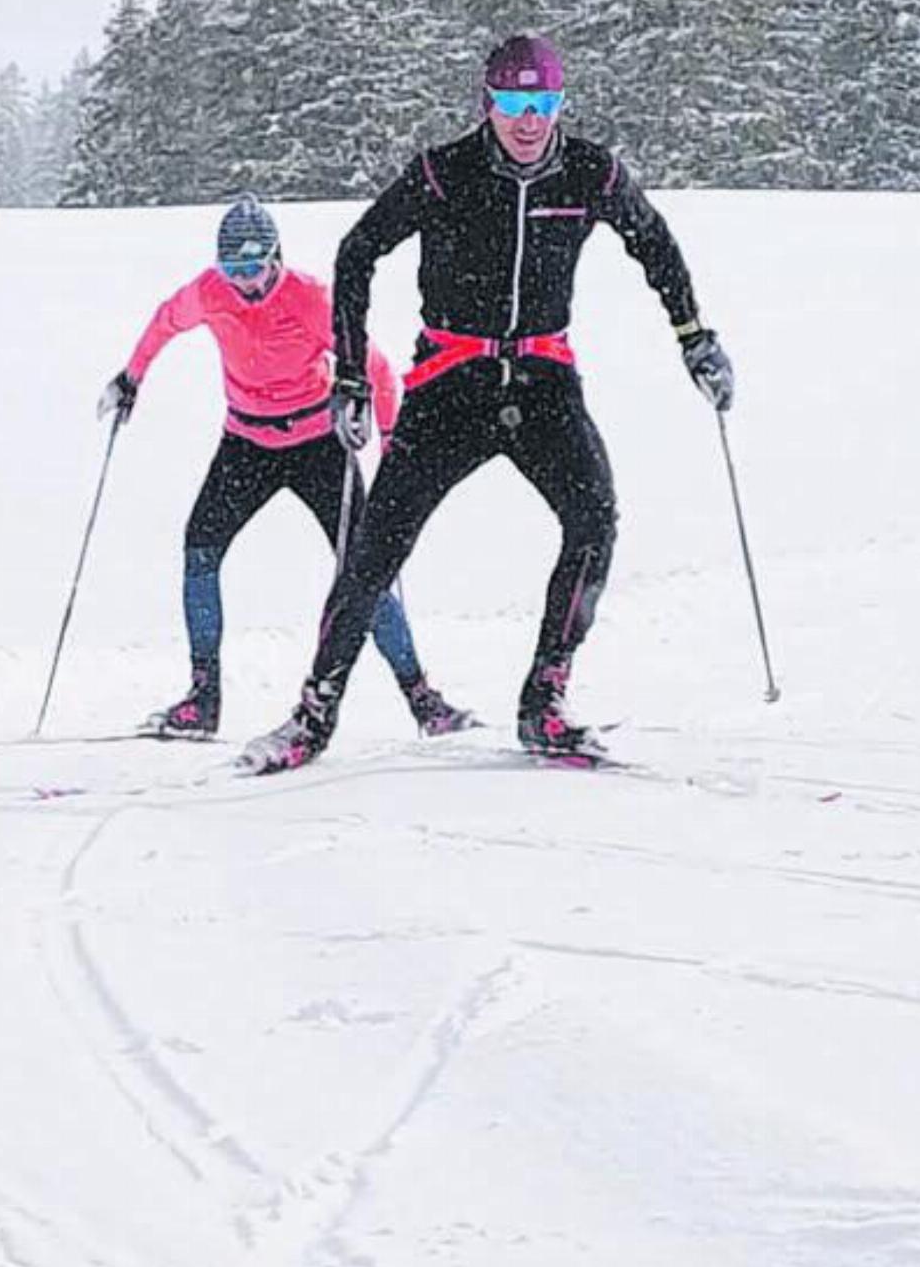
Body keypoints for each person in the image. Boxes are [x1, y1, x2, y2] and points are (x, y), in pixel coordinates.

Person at [239, 38, 733, 773]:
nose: (528, 121)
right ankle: (314, 714)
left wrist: (695, 338)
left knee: (595, 519)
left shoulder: (591, 172)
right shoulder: (444, 172)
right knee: (376, 547)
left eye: (542, 104)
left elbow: (653, 242)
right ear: (487, 104)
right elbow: (358, 250)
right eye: (512, 104)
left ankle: (545, 700)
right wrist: (349, 375)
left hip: (542, 380)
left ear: (561, 104)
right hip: (449, 383)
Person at [100, 195, 470, 740]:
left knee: (366, 568)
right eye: (233, 270)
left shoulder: (313, 300)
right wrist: (132, 377)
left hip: (319, 444)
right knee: (200, 549)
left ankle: (423, 700)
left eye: (253, 267)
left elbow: (381, 371)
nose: (244, 282)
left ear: (276, 256)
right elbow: (164, 323)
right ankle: (203, 699)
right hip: (246, 442)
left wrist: (391, 441)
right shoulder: (209, 291)